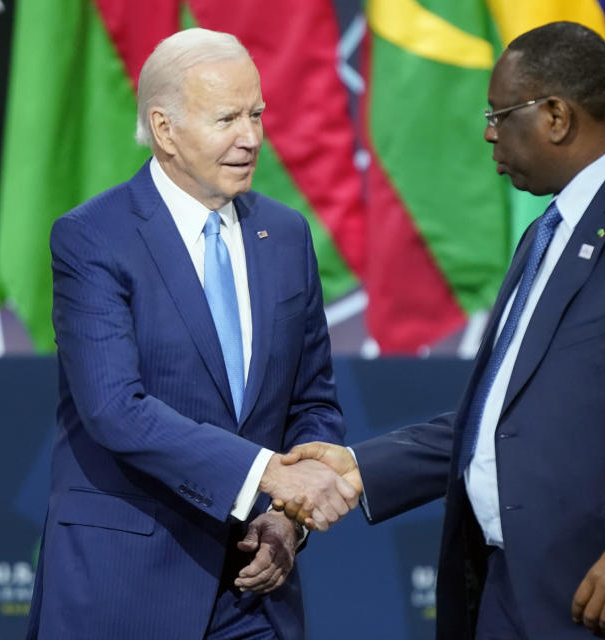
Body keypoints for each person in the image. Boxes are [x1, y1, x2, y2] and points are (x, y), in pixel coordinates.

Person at [283, 21, 605, 639]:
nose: (489, 132)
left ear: (555, 116)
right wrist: (362, 466)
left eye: (500, 113)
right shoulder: (548, 232)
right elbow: (507, 417)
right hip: (511, 593)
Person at [27, 28, 359, 640]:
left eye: (257, 114)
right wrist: (266, 475)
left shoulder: (286, 237)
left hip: (255, 590)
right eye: (227, 118)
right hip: (127, 585)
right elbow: (114, 410)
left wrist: (288, 517)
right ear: (165, 128)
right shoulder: (94, 237)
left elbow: (312, 402)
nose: (251, 138)